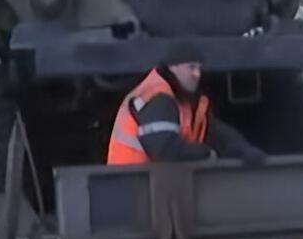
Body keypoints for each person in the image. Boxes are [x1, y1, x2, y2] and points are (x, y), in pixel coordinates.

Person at [107, 44, 267, 166]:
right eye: (191, 67)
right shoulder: (158, 98)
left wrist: (243, 150)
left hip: (152, 184)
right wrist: (207, 154)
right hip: (131, 183)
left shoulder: (182, 100)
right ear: (173, 67)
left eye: (199, 68)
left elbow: (213, 131)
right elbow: (165, 149)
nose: (197, 74)